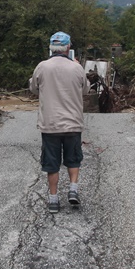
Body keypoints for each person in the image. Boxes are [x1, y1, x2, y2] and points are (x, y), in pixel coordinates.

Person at [28, 31, 88, 213]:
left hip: (50, 124)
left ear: (51, 48)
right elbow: (85, 90)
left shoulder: (42, 66)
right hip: (72, 123)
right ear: (68, 48)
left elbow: (33, 88)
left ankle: (53, 200)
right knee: (73, 158)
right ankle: (73, 189)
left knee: (51, 162)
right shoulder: (77, 68)